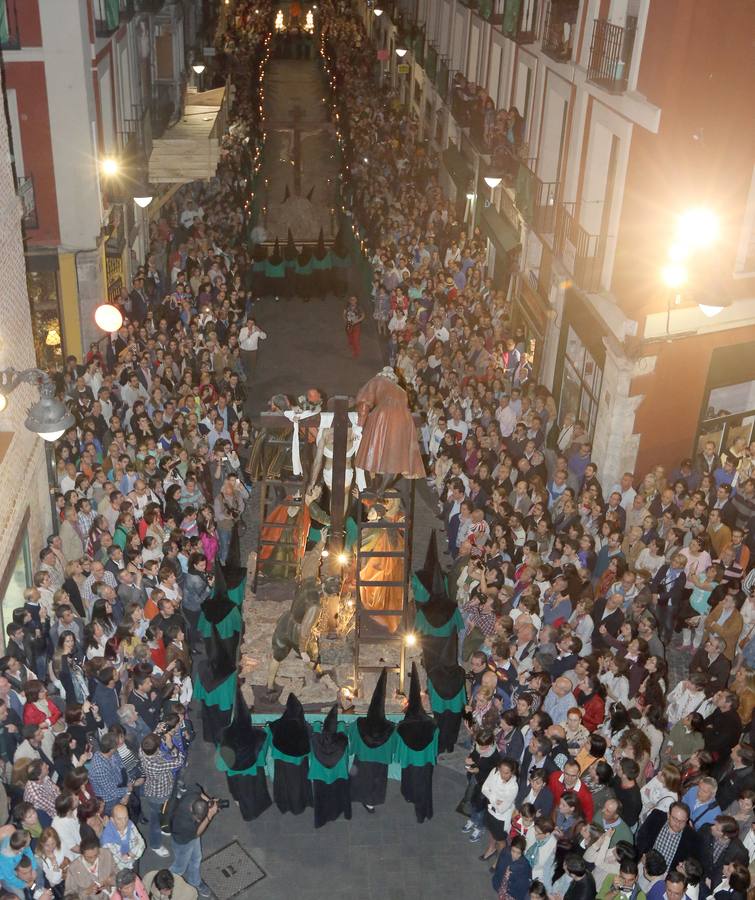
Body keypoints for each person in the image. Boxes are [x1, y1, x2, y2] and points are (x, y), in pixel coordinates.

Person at [348, 668, 396, 814]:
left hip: (363, 759)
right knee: (376, 780)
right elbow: (393, 746)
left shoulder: (359, 723)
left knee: (360, 777)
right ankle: (370, 802)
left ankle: (353, 795)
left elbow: (351, 735)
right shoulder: (390, 728)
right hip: (379, 761)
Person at [168, 787, 219, 898]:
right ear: (192, 811)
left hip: (190, 838)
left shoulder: (192, 797)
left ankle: (195, 881)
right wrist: (209, 816)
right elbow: (197, 833)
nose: (198, 820)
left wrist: (209, 802)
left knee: (196, 858)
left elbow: (198, 790)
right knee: (179, 867)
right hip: (183, 842)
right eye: (198, 819)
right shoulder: (186, 824)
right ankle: (165, 883)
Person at [63, 833, 116, 898]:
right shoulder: (73, 868)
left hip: (111, 896)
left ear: (99, 850)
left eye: (96, 855)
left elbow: (118, 875)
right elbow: (69, 896)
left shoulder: (106, 854)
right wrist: (87, 892)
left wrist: (109, 881)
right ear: (82, 855)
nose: (93, 860)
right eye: (89, 857)